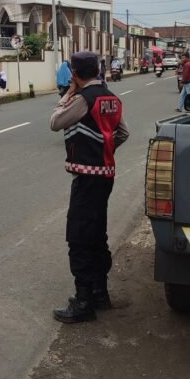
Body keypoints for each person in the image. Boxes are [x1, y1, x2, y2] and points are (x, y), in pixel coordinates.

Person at [49, 51, 129, 323]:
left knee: (79, 237)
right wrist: (105, 150)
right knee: (97, 234)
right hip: (105, 176)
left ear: (75, 73)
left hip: (86, 178)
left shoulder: (83, 99)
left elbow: (55, 122)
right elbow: (123, 133)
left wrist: (67, 95)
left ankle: (83, 302)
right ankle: (100, 292)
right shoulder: (111, 97)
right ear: (97, 70)